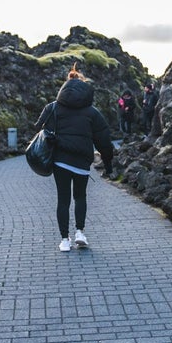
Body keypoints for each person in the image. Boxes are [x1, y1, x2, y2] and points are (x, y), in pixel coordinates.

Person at [35, 63, 114, 252]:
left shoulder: (53, 107)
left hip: (60, 160)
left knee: (63, 200)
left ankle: (64, 240)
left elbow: (39, 127)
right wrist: (108, 164)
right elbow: (103, 140)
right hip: (81, 161)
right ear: (84, 86)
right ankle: (80, 232)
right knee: (80, 197)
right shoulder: (92, 112)